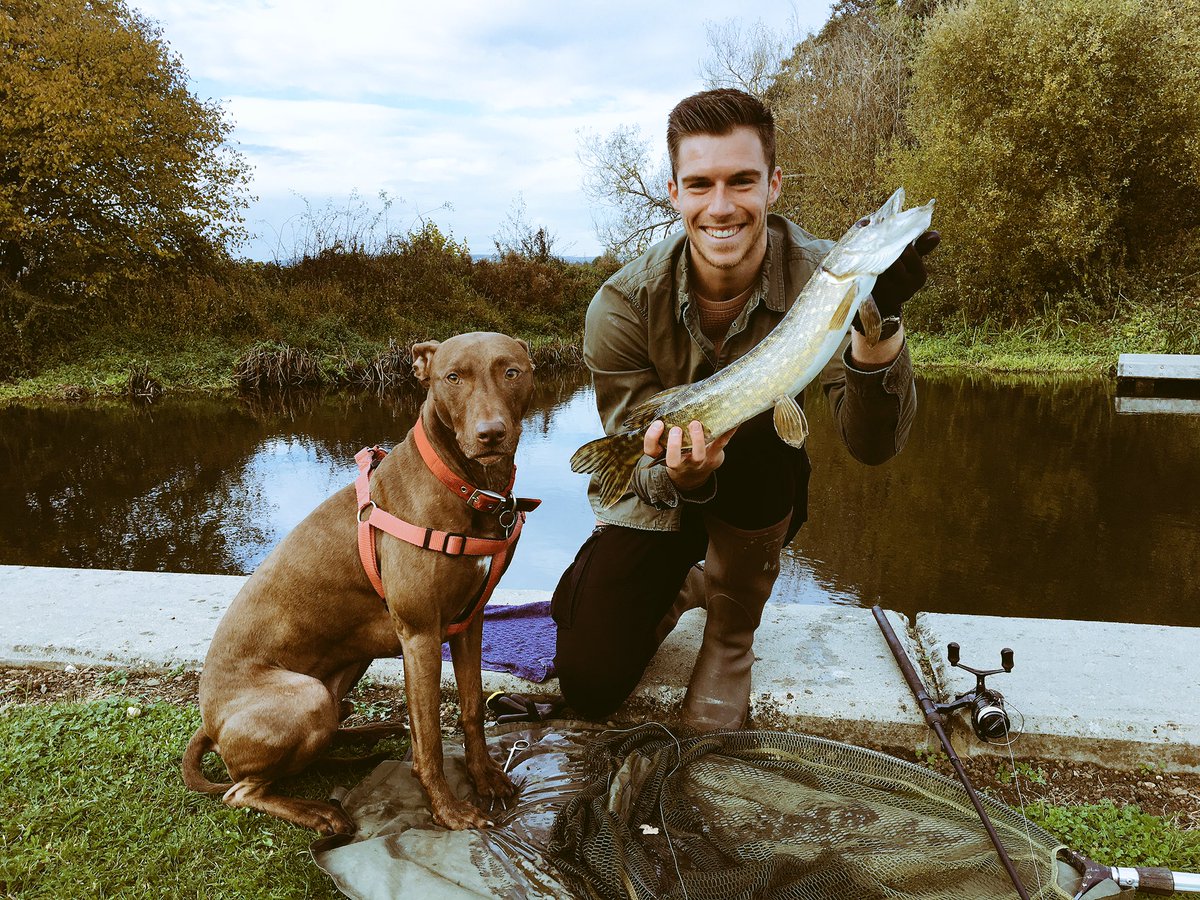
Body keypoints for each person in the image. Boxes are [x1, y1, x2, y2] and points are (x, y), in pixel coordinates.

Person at [552, 88, 939, 731]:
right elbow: (633, 463)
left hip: (761, 488)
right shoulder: (620, 305)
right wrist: (682, 473)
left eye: (742, 181)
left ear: (773, 184)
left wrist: (882, 322)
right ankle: (689, 581)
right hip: (660, 497)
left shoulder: (829, 277)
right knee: (590, 682)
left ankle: (731, 636)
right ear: (674, 192)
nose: (722, 206)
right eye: (700, 184)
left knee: (764, 432)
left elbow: (872, 446)